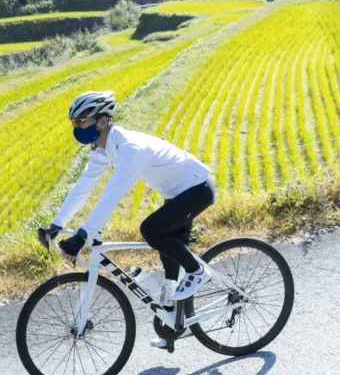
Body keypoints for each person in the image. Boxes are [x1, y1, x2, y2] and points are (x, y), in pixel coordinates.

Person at [37, 91, 216, 346]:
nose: (77, 128)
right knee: (168, 258)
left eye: (81, 122)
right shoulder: (103, 150)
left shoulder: (130, 149)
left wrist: (83, 235)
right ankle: (173, 325)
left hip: (197, 189)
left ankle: (198, 271)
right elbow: (83, 187)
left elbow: (111, 196)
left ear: (102, 120)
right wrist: (57, 224)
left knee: (152, 230)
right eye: (74, 123)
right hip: (176, 193)